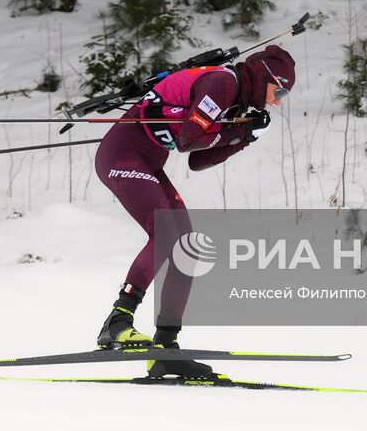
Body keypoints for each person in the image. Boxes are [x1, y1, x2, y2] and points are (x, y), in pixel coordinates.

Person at [93, 45, 296, 378]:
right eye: (280, 90)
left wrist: (244, 138)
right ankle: (117, 322)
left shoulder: (236, 100)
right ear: (264, 79)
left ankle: (165, 348)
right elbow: (189, 140)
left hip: (146, 160)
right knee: (166, 232)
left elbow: (199, 161)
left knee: (187, 247)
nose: (279, 101)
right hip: (122, 155)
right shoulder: (222, 83)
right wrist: (238, 132)